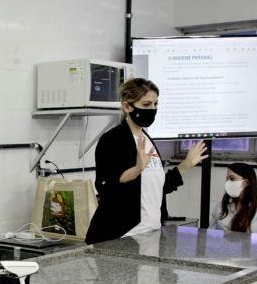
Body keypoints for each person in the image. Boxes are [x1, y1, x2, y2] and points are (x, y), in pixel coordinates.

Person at [85, 78, 208, 244]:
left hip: (150, 232)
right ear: (127, 106)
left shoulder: (147, 140)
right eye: (146, 104)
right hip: (121, 234)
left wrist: (187, 164)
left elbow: (159, 187)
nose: (153, 109)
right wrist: (137, 169)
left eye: (155, 104)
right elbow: (107, 185)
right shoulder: (112, 140)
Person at [209, 162, 257, 235]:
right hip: (222, 246)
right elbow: (211, 235)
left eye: (232, 179)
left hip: (252, 246)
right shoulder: (220, 206)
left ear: (247, 182)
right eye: (227, 179)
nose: (228, 183)